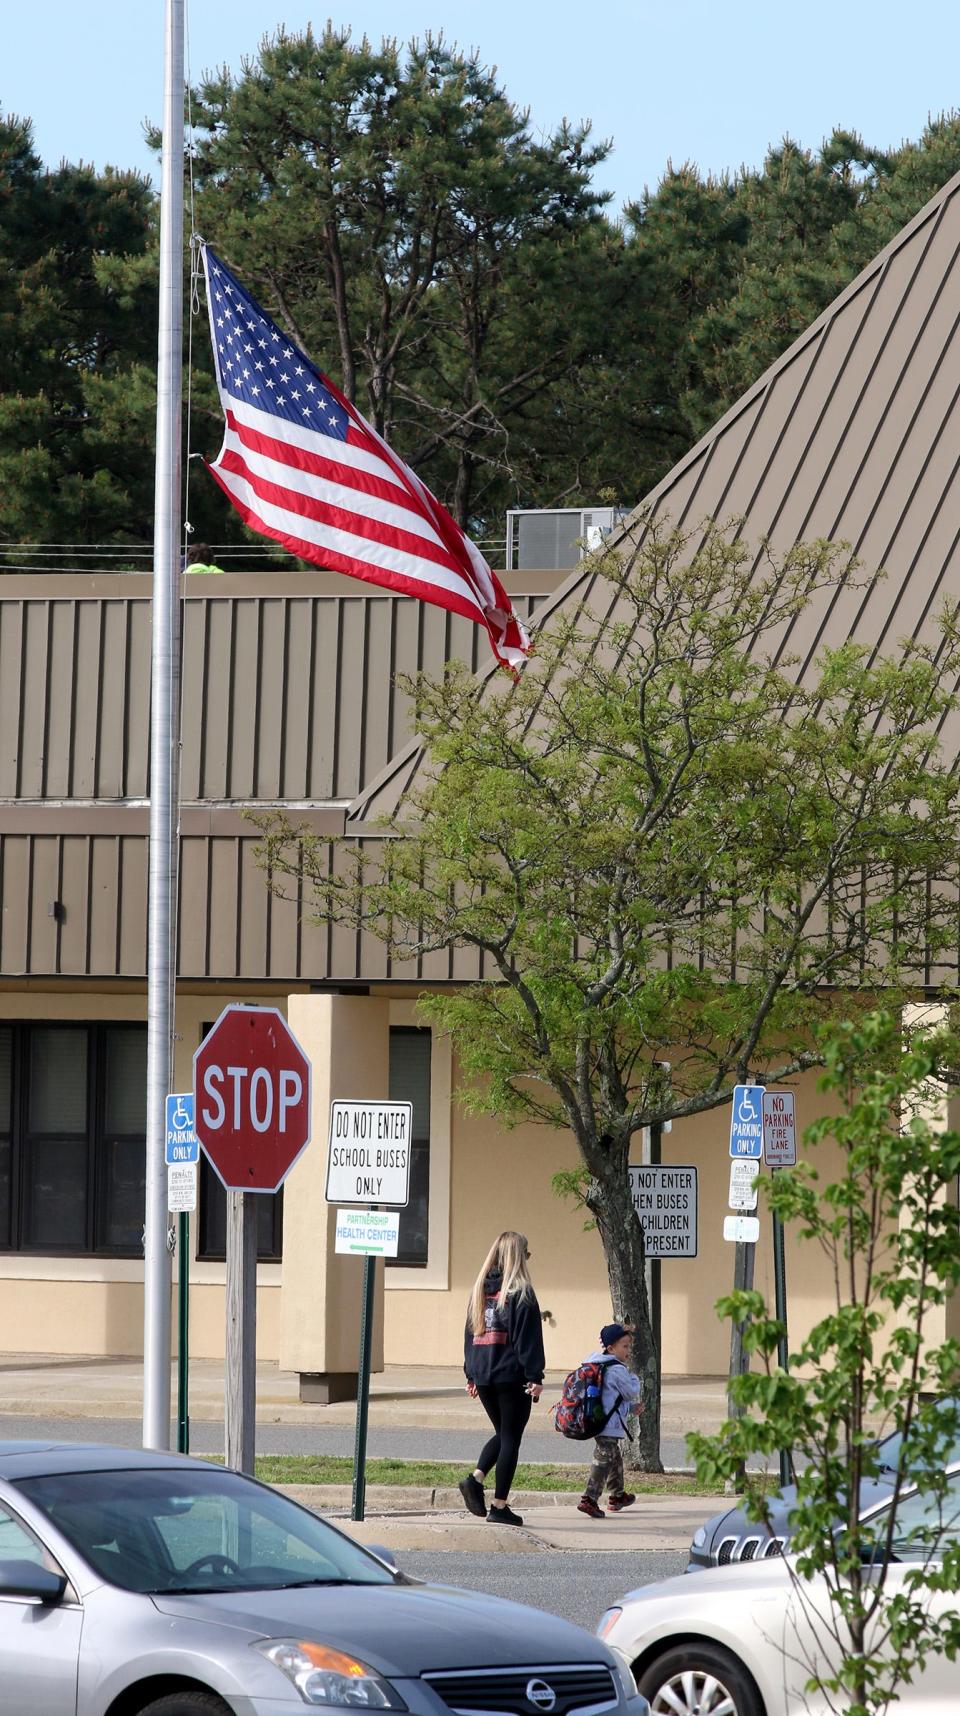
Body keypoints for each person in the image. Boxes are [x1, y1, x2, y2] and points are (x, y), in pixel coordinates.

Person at [459, 1230, 545, 1527]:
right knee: (511, 1438)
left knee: (504, 1434)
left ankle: (476, 1479)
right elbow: (527, 1341)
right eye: (527, 1252)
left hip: (483, 1375)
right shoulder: (521, 1292)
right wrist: (535, 1375)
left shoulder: (479, 1291)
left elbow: (470, 1336)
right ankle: (499, 1505)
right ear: (519, 1257)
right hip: (511, 1375)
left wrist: (470, 1373)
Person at [576, 1322, 642, 1518]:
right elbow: (630, 1392)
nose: (628, 1350)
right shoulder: (617, 1369)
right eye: (624, 1346)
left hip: (595, 1418)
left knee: (614, 1458)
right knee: (604, 1459)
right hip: (608, 1424)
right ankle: (589, 1499)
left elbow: (608, 1397)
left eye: (629, 1345)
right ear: (610, 1348)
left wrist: (629, 1409)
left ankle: (617, 1495)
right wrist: (634, 1377)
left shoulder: (594, 1363)